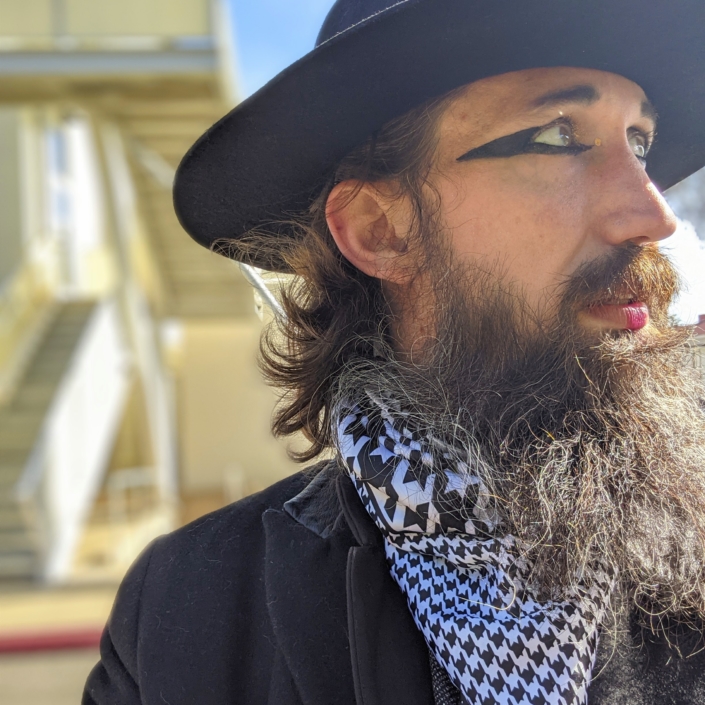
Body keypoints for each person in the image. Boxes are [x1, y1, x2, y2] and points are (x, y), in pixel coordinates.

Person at [84, 1, 705, 703]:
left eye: (640, 142)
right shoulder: (185, 609)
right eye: (559, 133)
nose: (653, 216)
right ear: (381, 231)